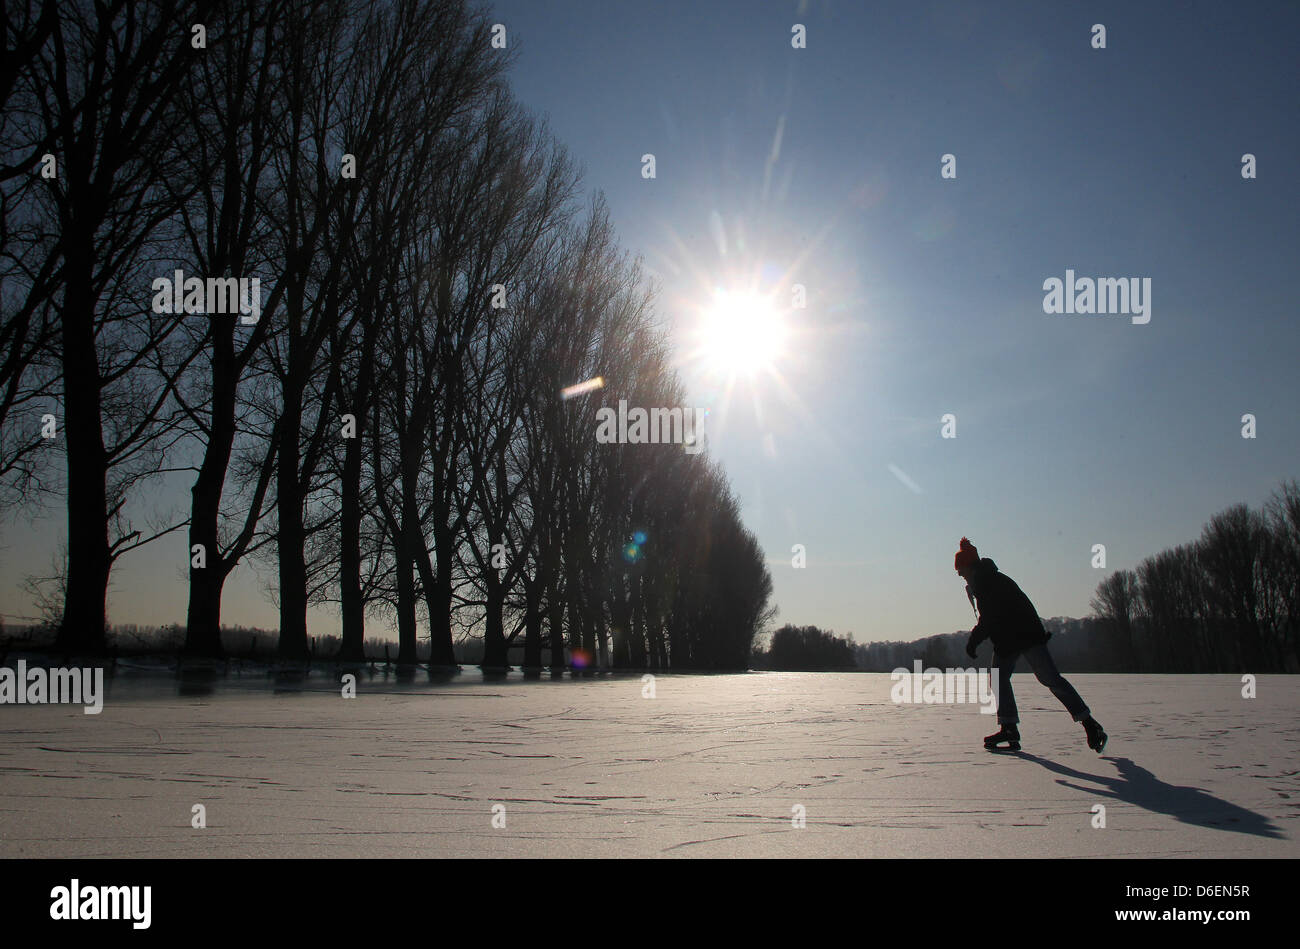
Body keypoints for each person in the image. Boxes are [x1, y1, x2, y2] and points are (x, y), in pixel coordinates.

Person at [955, 537, 1107, 753]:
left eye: (960, 570)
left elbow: (989, 618)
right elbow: (991, 618)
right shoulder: (985, 581)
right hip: (1011, 638)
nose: (960, 575)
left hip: (1025, 636)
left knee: (1049, 679)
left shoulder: (988, 582)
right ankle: (1009, 728)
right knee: (1003, 678)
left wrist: (973, 641)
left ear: (969, 567)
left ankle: (1090, 725)